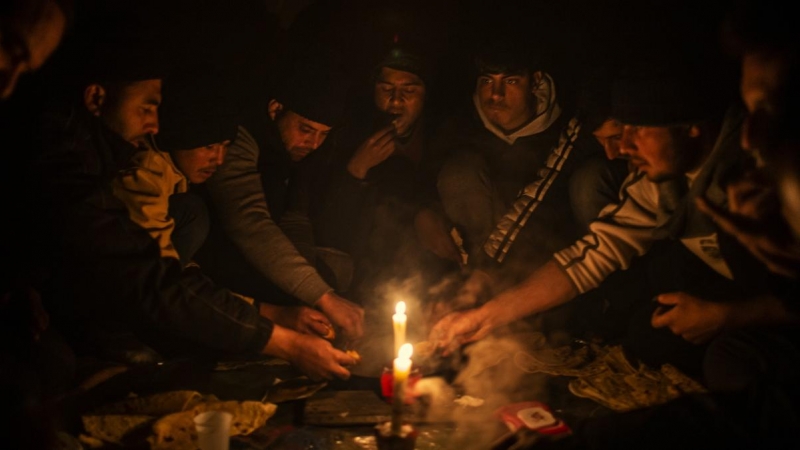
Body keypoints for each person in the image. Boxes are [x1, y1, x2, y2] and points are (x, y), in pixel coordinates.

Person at [22, 10, 355, 381]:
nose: (154, 123)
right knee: (50, 370)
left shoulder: (98, 153)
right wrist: (283, 341)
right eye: (147, 107)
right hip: (65, 300)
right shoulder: (95, 163)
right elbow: (153, 274)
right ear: (96, 97)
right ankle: (110, 331)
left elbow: (170, 269)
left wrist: (275, 313)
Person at [430, 36, 790, 377]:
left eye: (639, 130)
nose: (624, 148)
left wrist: (730, 316)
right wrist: (487, 316)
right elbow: (591, 255)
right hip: (744, 301)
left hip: (774, 314)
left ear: (691, 125)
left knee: (731, 362)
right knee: (649, 341)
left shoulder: (767, 173)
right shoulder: (656, 185)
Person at [429, 26, 601, 328]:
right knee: (459, 171)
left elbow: (539, 207)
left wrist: (489, 277)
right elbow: (425, 180)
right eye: (487, 82)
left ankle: (597, 306)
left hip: (554, 253)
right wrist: (424, 214)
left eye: (510, 81)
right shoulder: (460, 126)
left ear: (535, 82)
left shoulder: (571, 129)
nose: (495, 95)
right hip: (485, 256)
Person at [197, 54, 365, 342]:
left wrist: (310, 291)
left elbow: (294, 217)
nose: (313, 144)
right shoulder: (236, 138)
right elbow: (249, 222)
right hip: (218, 251)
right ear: (275, 109)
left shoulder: (298, 151)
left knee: (331, 275)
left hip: (260, 250)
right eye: (306, 129)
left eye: (323, 134)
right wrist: (323, 297)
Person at [314, 37, 459, 308]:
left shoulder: (444, 135)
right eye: (386, 89)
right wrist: (356, 168)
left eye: (409, 90)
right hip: (367, 265)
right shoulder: (348, 134)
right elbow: (329, 222)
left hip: (433, 259)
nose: (396, 100)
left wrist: (426, 211)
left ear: (425, 95)